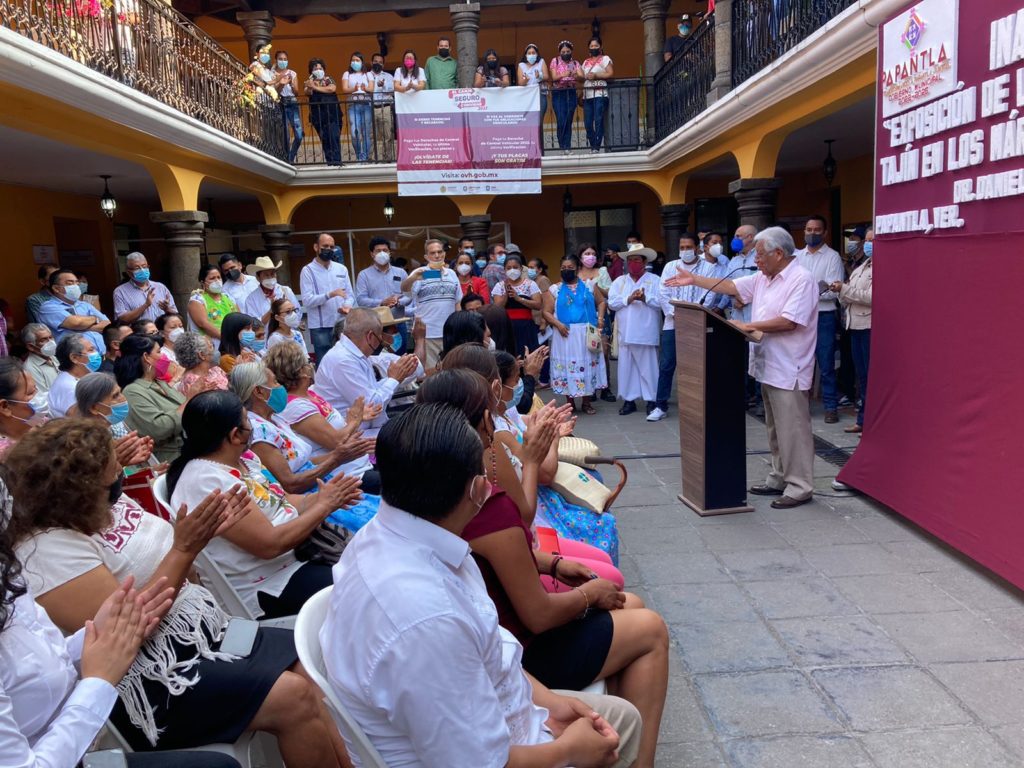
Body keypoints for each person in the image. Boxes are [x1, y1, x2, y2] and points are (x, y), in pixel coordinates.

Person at [5, 422, 352, 766]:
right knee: (292, 696)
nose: (120, 476)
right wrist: (185, 549)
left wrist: (195, 538)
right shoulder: (46, 551)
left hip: (202, 633)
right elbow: (124, 633)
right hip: (154, 677)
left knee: (304, 666)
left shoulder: (102, 504)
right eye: (112, 475)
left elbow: (163, 555)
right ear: (79, 488)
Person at [322, 402, 642, 768]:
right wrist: (569, 751)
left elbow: (494, 652)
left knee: (624, 717)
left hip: (508, 716)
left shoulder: (384, 539)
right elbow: (479, 762)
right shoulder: (427, 618)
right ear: (477, 490)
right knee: (621, 725)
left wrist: (551, 704)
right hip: (502, 750)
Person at [168, 391, 361, 619]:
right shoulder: (207, 483)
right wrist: (324, 506)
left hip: (298, 555)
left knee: (366, 561)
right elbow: (270, 545)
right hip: (271, 582)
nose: (252, 425)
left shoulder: (243, 460)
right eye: (247, 420)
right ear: (235, 435)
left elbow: (282, 501)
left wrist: (323, 497)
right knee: (360, 588)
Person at [664, 226, 818, 508]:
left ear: (778, 253)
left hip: (789, 366)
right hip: (767, 363)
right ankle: (779, 476)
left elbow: (789, 321)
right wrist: (694, 279)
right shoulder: (763, 277)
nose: (755, 260)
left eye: (760, 255)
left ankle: (800, 486)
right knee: (775, 428)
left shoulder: (801, 279)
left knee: (793, 429)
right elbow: (734, 287)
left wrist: (748, 325)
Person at [263, 341, 380, 496]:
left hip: (359, 465)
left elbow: (334, 428)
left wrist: (353, 419)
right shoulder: (295, 406)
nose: (311, 365)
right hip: (346, 476)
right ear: (301, 371)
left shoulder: (309, 393)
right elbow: (336, 441)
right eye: (307, 362)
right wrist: (355, 420)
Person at [229, 362, 355, 494]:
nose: (280, 387)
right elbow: (290, 484)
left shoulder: (274, 418)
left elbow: (300, 461)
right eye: (275, 382)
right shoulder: (259, 431)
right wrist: (336, 459)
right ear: (259, 392)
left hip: (317, 483)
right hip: (307, 495)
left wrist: (340, 454)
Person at [650, 233, 723, 421]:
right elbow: (663, 293)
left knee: (696, 366)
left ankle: (697, 405)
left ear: (697, 248)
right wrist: (675, 313)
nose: (685, 251)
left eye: (688, 247)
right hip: (672, 323)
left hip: (697, 323)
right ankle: (660, 405)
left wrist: (691, 315)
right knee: (667, 364)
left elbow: (710, 295)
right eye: (682, 248)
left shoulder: (709, 268)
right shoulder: (670, 266)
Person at [313, 308, 420, 435]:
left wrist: (395, 377)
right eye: (380, 336)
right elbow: (372, 405)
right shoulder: (343, 360)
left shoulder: (355, 354)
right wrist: (394, 379)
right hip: (351, 436)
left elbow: (371, 391)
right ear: (370, 336)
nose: (382, 341)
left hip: (367, 429)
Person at [117, 334, 204, 462]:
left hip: (192, 449)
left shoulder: (160, 383)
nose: (164, 357)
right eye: (158, 352)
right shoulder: (133, 391)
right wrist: (190, 399)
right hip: (171, 459)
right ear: (146, 357)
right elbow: (159, 428)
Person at [795, 215, 844, 423]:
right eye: (809, 229)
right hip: (801, 317)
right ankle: (801, 406)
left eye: (816, 230)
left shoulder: (832, 257)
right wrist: (814, 290)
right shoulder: (797, 256)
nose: (812, 233)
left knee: (826, 364)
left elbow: (834, 290)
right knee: (800, 363)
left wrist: (808, 293)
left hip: (824, 316)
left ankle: (831, 407)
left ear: (824, 232)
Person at [544, 254, 607, 414]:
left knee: (587, 365)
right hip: (564, 334)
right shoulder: (555, 289)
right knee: (567, 367)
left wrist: (600, 319)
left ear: (578, 269)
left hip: (586, 333)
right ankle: (570, 402)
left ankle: (586, 402)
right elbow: (546, 312)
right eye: (563, 268)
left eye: (570, 268)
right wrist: (558, 324)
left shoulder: (589, 286)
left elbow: (601, 302)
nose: (566, 270)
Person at [607, 244, 662, 416]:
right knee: (627, 368)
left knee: (649, 368)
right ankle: (629, 400)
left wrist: (646, 298)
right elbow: (612, 303)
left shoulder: (655, 280)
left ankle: (651, 400)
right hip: (626, 332)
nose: (633, 263)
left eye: (637, 260)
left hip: (646, 332)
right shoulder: (620, 281)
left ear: (644, 262)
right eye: (630, 260)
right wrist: (629, 298)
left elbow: (661, 302)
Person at [830, 227, 873, 436]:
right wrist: (840, 290)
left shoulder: (881, 267)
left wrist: (844, 290)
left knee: (870, 376)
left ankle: (871, 422)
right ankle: (863, 420)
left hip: (869, 325)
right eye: (867, 240)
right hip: (854, 325)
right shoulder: (861, 266)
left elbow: (872, 297)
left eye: (873, 240)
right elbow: (848, 294)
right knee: (862, 376)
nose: (868, 244)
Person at [400, 239, 461, 369]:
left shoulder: (452, 274)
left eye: (440, 252)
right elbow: (405, 290)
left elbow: (457, 302)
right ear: (426, 256)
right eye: (432, 253)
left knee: (452, 370)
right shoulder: (420, 273)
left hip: (450, 333)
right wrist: (412, 278)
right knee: (430, 373)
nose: (437, 255)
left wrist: (459, 327)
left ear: (444, 253)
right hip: (427, 334)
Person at [301, 233, 355, 365]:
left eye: (331, 247)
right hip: (320, 326)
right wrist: (329, 295)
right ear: (316, 247)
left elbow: (349, 295)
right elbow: (307, 300)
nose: (328, 249)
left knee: (344, 361)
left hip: (341, 323)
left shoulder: (341, 269)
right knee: (324, 363)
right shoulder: (308, 271)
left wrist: (347, 306)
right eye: (325, 246)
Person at [37, 268, 109, 355]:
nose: (76, 286)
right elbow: (76, 323)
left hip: (101, 355)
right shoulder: (48, 307)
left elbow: (107, 325)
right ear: (56, 288)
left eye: (77, 283)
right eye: (70, 283)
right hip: (75, 358)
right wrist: (95, 318)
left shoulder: (85, 305)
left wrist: (78, 328)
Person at [355, 236, 410, 332]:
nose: (382, 253)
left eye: (385, 250)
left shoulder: (401, 272)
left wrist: (398, 302)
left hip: (399, 322)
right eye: (378, 251)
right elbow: (361, 300)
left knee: (401, 342)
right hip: (375, 325)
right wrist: (382, 302)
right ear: (372, 254)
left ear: (389, 253)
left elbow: (409, 295)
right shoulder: (364, 275)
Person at [492, 252, 542, 354]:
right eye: (509, 268)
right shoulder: (499, 286)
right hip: (506, 326)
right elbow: (497, 308)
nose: (512, 270)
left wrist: (518, 298)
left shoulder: (530, 284)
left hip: (526, 326)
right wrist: (506, 294)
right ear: (504, 270)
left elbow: (538, 305)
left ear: (521, 268)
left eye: (515, 267)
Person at [0, 358, 47, 456]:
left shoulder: (43, 423)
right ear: (4, 407)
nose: (39, 396)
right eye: (30, 393)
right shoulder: (5, 457)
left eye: (36, 389)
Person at [113, 252, 177, 323]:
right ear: (128, 272)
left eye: (144, 266)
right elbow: (121, 320)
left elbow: (176, 315)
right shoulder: (120, 292)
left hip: (162, 329)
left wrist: (167, 309)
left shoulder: (160, 287)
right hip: (139, 330)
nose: (142, 270)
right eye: (137, 268)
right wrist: (145, 305)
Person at [48, 333, 101, 418]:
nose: (97, 353)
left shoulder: (85, 377)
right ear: (74, 358)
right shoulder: (70, 387)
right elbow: (79, 422)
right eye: (91, 350)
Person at [305, 57, 343, 165]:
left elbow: (332, 88)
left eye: (320, 68)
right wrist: (311, 84)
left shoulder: (328, 79)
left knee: (334, 136)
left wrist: (315, 87)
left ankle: (337, 161)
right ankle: (330, 162)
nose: (318, 70)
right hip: (319, 117)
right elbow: (307, 92)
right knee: (325, 139)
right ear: (311, 71)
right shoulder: (310, 82)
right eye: (315, 69)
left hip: (333, 115)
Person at [242, 256, 299, 326]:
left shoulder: (286, 291)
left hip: (287, 331)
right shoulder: (251, 299)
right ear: (258, 278)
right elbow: (255, 324)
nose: (270, 278)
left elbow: (297, 312)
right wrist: (271, 310)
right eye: (266, 275)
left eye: (272, 274)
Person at [188, 264, 238, 339]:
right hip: (211, 344)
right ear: (202, 282)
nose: (217, 281)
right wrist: (226, 338)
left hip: (233, 342)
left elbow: (239, 317)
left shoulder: (228, 297)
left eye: (219, 277)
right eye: (212, 278)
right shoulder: (197, 300)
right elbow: (203, 324)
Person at [341, 52, 375, 162]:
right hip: (353, 106)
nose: (355, 62)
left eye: (357, 60)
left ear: (362, 62)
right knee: (354, 133)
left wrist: (365, 89)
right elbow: (345, 89)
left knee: (366, 133)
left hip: (366, 105)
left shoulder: (368, 74)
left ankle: (363, 158)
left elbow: (372, 89)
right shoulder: (347, 74)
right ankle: (359, 154)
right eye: (353, 60)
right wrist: (354, 89)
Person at [581, 37, 613, 153]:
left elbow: (610, 73)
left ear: (600, 47)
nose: (594, 48)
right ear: (588, 48)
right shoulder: (585, 62)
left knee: (599, 120)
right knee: (588, 123)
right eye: (591, 46)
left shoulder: (605, 59)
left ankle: (596, 147)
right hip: (587, 95)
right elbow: (582, 77)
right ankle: (593, 145)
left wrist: (596, 76)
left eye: (596, 46)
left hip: (600, 94)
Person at [273, 49, 304, 163]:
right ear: (276, 60)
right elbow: (274, 91)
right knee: (285, 134)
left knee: (299, 134)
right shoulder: (273, 74)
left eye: (285, 59)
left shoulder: (292, 73)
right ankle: (287, 160)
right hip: (280, 103)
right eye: (280, 59)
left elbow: (296, 92)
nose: (283, 61)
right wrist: (281, 83)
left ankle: (290, 157)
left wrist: (291, 84)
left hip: (292, 102)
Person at [549, 40, 580, 153]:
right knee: (561, 119)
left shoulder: (575, 63)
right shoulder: (555, 61)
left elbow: (581, 76)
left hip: (571, 92)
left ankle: (567, 147)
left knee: (568, 119)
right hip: (559, 93)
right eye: (563, 52)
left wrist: (576, 75)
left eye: (567, 51)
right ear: (559, 52)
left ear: (571, 51)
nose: (565, 53)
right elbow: (554, 77)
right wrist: (564, 74)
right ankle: (563, 146)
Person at [175, 330, 228, 395]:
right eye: (211, 347)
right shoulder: (193, 384)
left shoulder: (214, 369)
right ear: (202, 355)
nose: (215, 351)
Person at [20, 322, 59, 395]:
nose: (51, 342)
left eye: (51, 337)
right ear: (31, 347)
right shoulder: (30, 368)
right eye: (43, 340)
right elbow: (44, 396)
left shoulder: (52, 357)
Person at [369, 52, 395, 162]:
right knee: (370, 136)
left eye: (380, 62)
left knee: (388, 135)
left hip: (385, 107)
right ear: (371, 62)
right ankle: (370, 160)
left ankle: (387, 159)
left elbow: (393, 91)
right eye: (375, 61)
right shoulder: (366, 76)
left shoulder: (388, 76)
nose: (377, 64)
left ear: (383, 65)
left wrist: (383, 85)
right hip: (370, 108)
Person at [518, 43, 550, 117]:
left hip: (540, 94)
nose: (531, 55)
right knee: (529, 118)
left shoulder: (541, 62)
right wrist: (525, 80)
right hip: (527, 95)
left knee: (540, 118)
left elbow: (546, 76)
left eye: (533, 53)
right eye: (529, 53)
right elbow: (520, 82)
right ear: (525, 55)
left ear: (537, 54)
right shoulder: (521, 65)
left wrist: (539, 76)